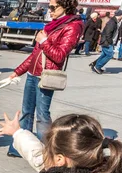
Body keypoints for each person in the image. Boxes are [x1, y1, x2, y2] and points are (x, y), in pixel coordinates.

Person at [7, 0, 82, 158]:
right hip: (32, 74)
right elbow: (35, 54)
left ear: (65, 6)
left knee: (42, 115)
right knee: (26, 112)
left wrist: (44, 41)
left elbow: (60, 55)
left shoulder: (73, 26)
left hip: (46, 76)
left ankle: (46, 152)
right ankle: (20, 147)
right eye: (49, 7)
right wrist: (17, 72)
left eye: (54, 7)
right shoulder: (52, 25)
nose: (50, 10)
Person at [91, 9, 122, 74]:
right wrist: (110, 42)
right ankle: (98, 66)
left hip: (107, 41)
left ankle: (95, 65)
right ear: (120, 15)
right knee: (109, 55)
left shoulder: (115, 21)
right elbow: (108, 33)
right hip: (107, 41)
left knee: (104, 54)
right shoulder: (112, 22)